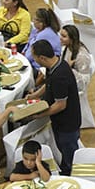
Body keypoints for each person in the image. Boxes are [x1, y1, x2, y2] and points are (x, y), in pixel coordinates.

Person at [26, 40, 82, 175]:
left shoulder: (60, 76)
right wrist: (35, 94)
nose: (34, 60)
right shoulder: (56, 64)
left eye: (34, 57)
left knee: (69, 152)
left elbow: (60, 105)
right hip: (61, 121)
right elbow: (48, 83)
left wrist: (40, 115)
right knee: (64, 148)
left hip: (67, 123)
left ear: (42, 58)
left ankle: (71, 174)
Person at [60, 25, 94, 92]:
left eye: (64, 36)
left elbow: (86, 82)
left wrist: (68, 69)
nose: (60, 38)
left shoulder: (81, 56)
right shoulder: (66, 47)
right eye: (60, 35)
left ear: (72, 39)